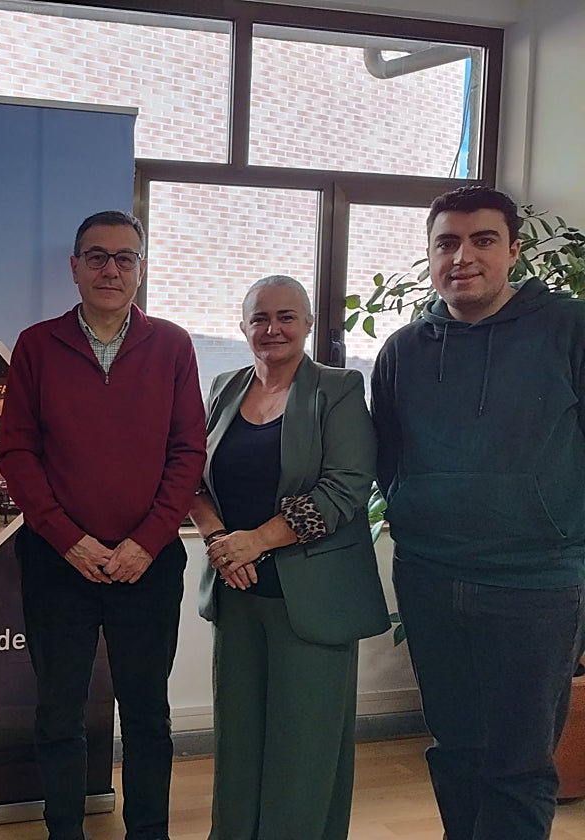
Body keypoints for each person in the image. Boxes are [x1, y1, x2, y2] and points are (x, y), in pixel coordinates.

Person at [371, 185, 585, 840]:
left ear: (514, 250)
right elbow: (389, 459)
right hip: (431, 581)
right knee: (456, 751)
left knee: (517, 766)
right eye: (447, 242)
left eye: (483, 240)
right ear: (431, 254)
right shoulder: (403, 351)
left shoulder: (569, 330)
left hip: (536, 586)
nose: (463, 256)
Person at [0, 210, 206, 840]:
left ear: (141, 268)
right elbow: (17, 454)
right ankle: (65, 829)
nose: (111, 269)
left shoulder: (172, 346)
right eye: (97, 256)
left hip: (150, 565)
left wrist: (146, 543)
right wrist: (70, 540)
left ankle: (148, 830)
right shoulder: (37, 345)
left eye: (125, 257)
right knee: (59, 712)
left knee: (147, 715)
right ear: (75, 268)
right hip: (59, 565)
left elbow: (188, 453)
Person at [189, 275, 389, 840]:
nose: (271, 328)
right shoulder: (225, 387)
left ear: (306, 324)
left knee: (303, 750)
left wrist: (256, 541)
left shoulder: (340, 388)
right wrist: (220, 543)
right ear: (244, 325)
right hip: (238, 594)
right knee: (238, 742)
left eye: (286, 316)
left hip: (312, 603)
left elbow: (344, 490)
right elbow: (191, 480)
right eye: (260, 318)